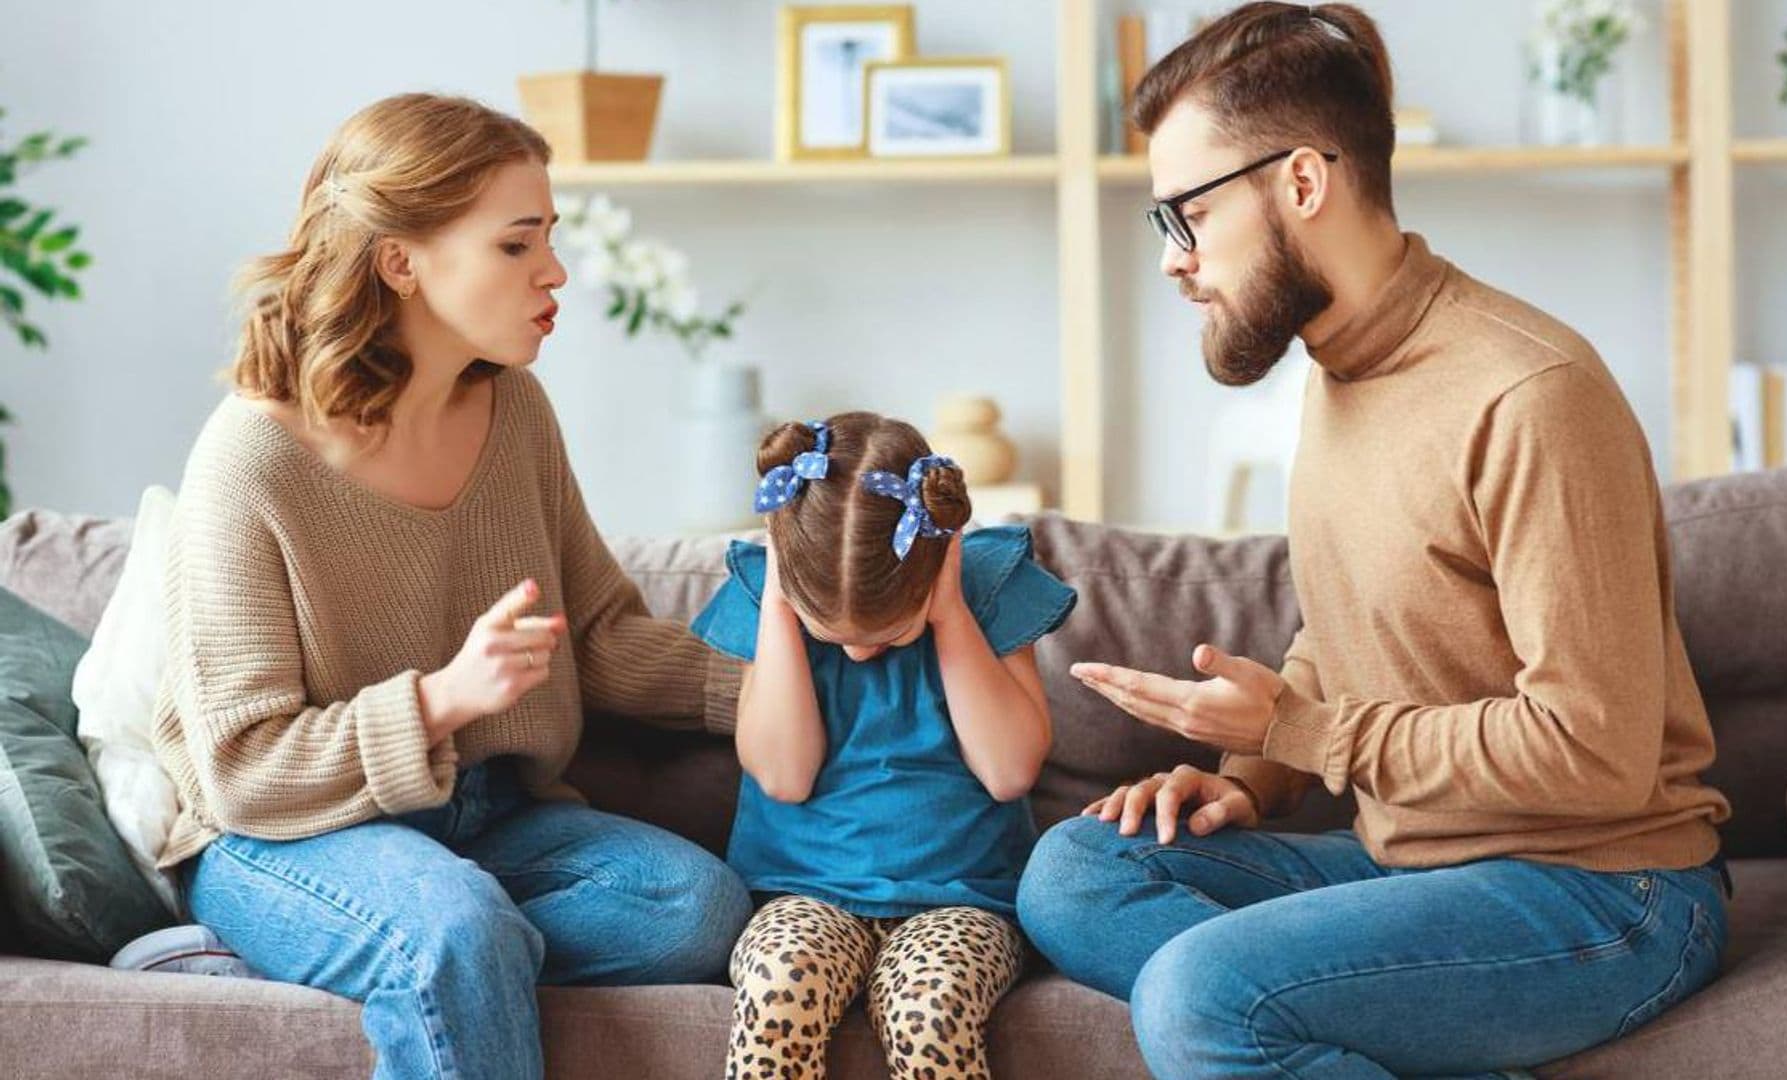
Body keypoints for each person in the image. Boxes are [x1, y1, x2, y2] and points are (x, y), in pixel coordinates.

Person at [1014, 6, 1734, 1078]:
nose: (1175, 262)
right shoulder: (1337, 373)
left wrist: (1312, 734)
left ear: (1303, 184)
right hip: (1413, 863)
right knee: (1073, 872)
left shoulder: (1528, 394)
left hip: (1607, 888)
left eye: (1189, 216)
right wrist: (1253, 776)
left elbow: (1597, 751)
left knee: (1199, 997)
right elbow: (1359, 624)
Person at [154, 92, 749, 1080]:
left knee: (692, 908)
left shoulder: (514, 409)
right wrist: (438, 701)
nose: (556, 272)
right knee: (457, 930)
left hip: (489, 816)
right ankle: (407, 945)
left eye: (548, 239)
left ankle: (401, 957)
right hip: (287, 837)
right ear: (402, 262)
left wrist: (769, 687)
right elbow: (243, 766)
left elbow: (595, 632)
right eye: (517, 246)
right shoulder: (253, 455)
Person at [691, 413, 1077, 1079]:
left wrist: (950, 612)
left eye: (889, 633)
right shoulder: (767, 595)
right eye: (829, 632)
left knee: (929, 1008)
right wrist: (783, 605)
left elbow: (1009, 770)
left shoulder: (987, 587)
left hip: (964, 899)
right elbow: (784, 776)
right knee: (779, 986)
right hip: (801, 893)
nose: (859, 650)